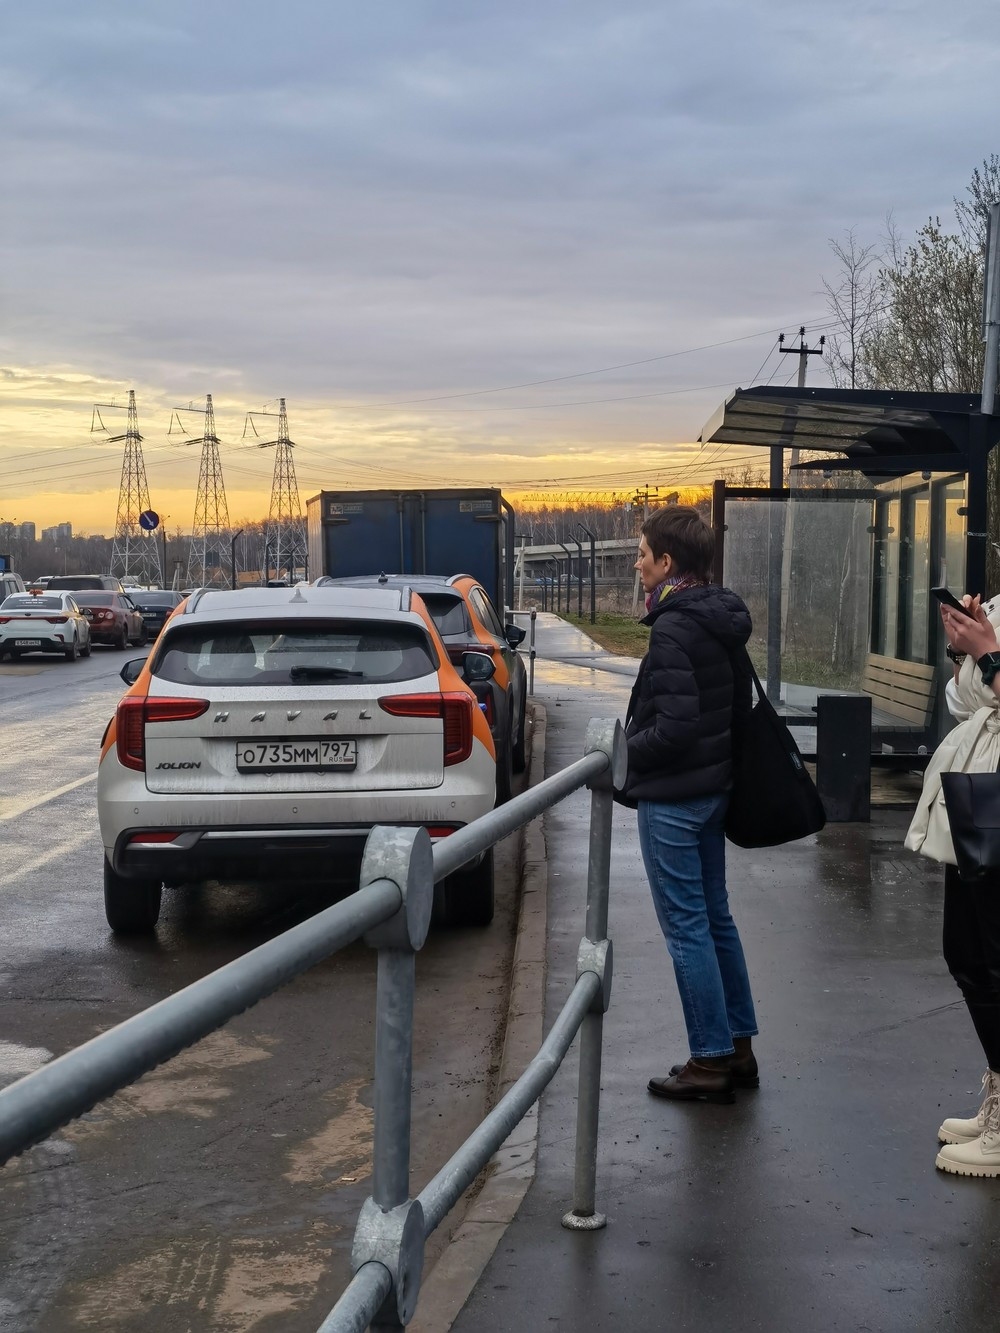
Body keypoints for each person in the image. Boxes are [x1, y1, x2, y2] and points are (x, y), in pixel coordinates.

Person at [620, 505, 758, 1105]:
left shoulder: (674, 626)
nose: (637, 564)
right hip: (712, 790)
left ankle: (708, 1060)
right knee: (715, 919)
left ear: (667, 561)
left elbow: (675, 728)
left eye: (642, 555)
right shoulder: (716, 615)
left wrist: (621, 755)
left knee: (687, 927)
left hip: (675, 798)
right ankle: (737, 1048)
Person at [905, 592, 1000, 1176]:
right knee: (967, 951)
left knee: (995, 957)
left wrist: (988, 654)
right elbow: (962, 701)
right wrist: (965, 650)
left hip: (990, 798)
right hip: (979, 797)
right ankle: (999, 1091)